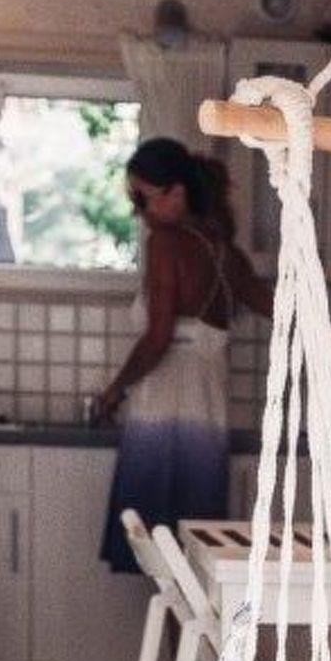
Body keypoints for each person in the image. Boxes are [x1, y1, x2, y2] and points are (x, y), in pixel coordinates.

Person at [94, 136, 272, 573]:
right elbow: (278, 307)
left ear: (176, 192)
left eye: (142, 198)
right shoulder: (227, 253)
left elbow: (158, 339)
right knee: (194, 549)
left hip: (163, 406)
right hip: (208, 410)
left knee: (156, 549)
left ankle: (173, 622)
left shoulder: (166, 243)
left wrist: (115, 390)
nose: (138, 211)